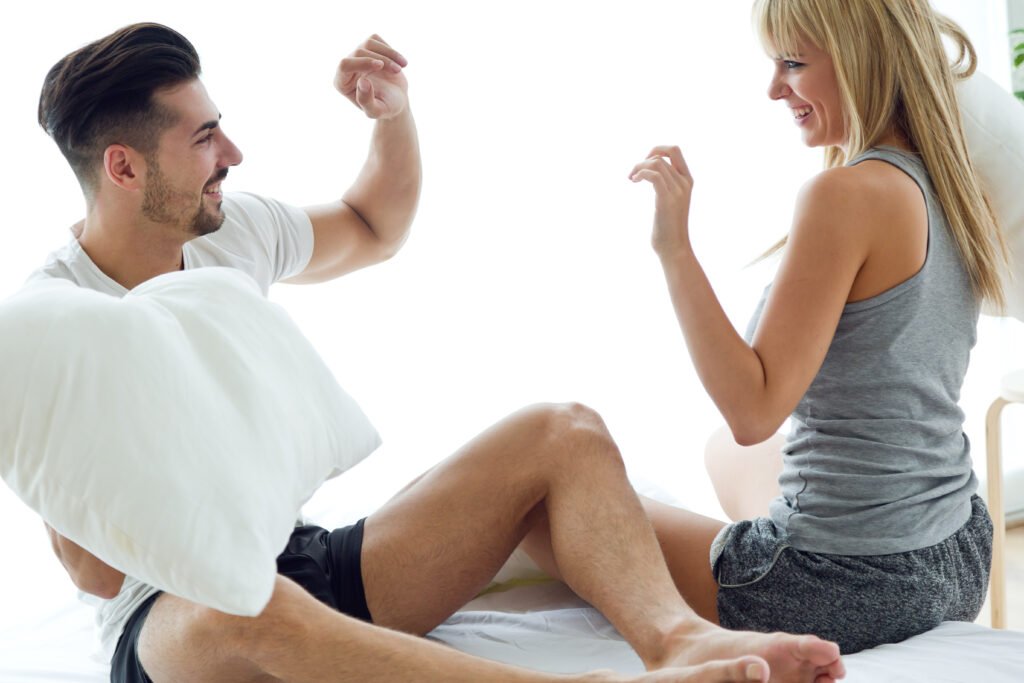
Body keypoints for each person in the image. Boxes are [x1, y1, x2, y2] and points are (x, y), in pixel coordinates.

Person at [33, 22, 847, 683]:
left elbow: (374, 224)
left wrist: (392, 117)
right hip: (180, 618)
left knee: (562, 429)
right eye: (206, 137)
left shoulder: (230, 231)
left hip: (309, 559)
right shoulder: (55, 318)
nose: (234, 155)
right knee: (243, 606)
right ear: (125, 166)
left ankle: (676, 642)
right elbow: (96, 575)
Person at [624, 0, 1001, 656]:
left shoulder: (845, 197)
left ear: (862, 59)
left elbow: (753, 408)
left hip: (847, 589)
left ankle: (698, 630)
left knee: (557, 509)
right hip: (957, 550)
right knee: (723, 451)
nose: (775, 88)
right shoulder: (952, 182)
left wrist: (674, 248)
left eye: (793, 63)